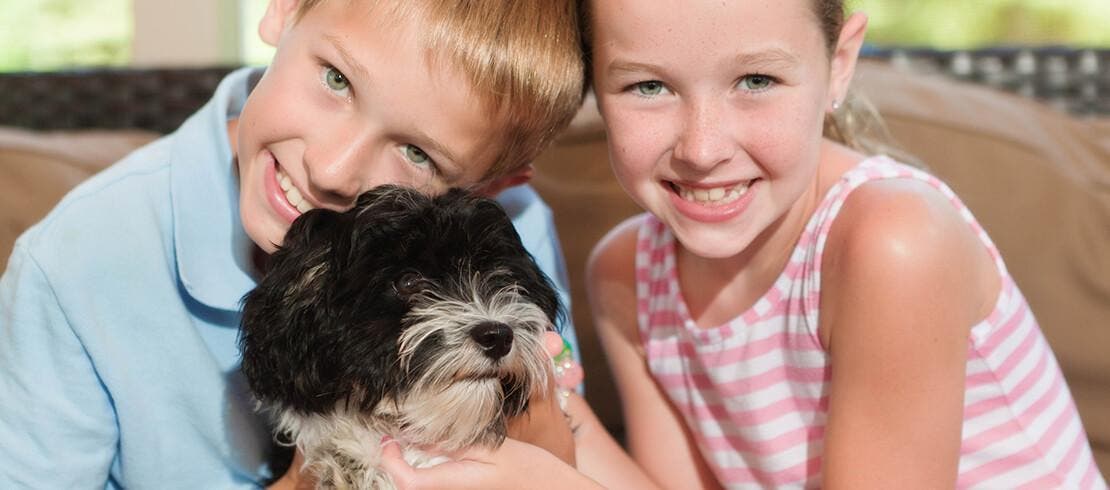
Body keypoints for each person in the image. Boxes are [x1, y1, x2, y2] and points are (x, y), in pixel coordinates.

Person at [381, 0, 1109, 488]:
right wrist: (547, 431)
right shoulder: (627, 275)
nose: (702, 148)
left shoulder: (892, 243)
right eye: (647, 88)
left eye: (756, 79)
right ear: (593, 89)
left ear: (841, 64)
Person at [0, 0, 586, 487]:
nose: (331, 169)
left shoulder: (508, 228)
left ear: (493, 184)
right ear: (281, 8)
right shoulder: (77, 260)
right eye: (337, 79)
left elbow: (549, 436)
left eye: (418, 154)